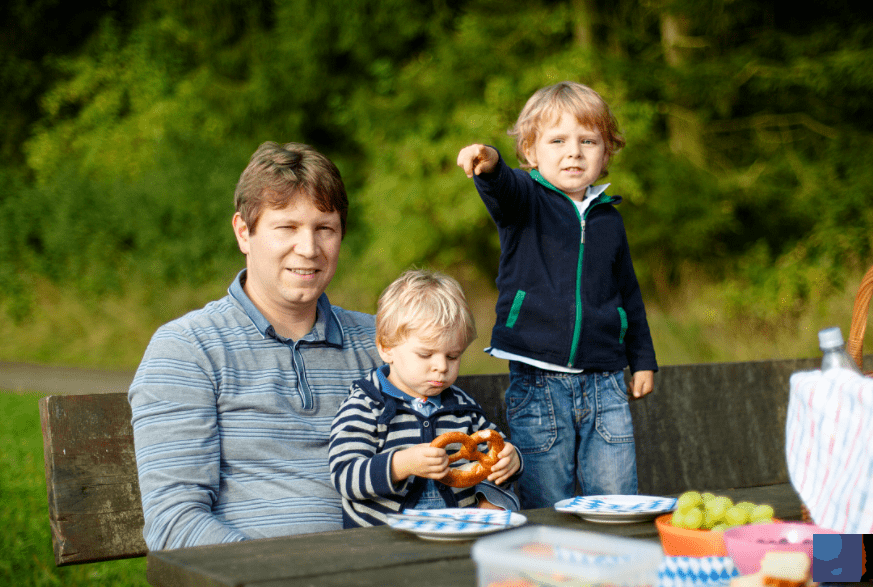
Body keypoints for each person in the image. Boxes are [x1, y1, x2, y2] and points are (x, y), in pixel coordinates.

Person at [128, 142, 381, 550]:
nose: (309, 248)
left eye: (325, 228)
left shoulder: (382, 343)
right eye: (287, 227)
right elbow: (175, 522)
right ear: (244, 232)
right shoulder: (188, 349)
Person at [456, 81, 658, 509]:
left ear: (605, 154)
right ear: (531, 151)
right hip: (537, 380)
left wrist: (642, 360)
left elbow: (630, 295)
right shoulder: (524, 201)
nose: (574, 152)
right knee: (547, 502)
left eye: (589, 141)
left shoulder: (610, 220)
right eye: (558, 140)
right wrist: (489, 162)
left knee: (617, 497)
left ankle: (615, 572)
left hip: (606, 383)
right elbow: (501, 185)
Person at [328, 269, 522, 527]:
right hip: (384, 544)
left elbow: (492, 455)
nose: (441, 366)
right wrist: (402, 464)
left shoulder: (463, 409)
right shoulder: (366, 406)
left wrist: (512, 460)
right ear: (386, 348)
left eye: (452, 356)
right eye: (425, 354)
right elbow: (345, 476)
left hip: (458, 532)